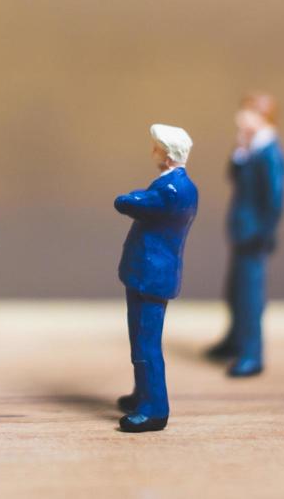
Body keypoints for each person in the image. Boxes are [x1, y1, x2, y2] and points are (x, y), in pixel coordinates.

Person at [114, 123, 199, 433]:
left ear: (167, 154)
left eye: (157, 148)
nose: (153, 152)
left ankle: (155, 408)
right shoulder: (174, 185)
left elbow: (131, 203)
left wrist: (128, 196)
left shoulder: (172, 189)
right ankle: (142, 394)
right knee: (139, 339)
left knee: (147, 343)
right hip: (144, 271)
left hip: (152, 273)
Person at [207, 92, 284, 377]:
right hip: (242, 229)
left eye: (249, 113)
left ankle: (252, 353)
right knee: (234, 290)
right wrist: (239, 151)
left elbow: (275, 198)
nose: (241, 118)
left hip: (254, 235)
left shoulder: (270, 152)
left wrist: (265, 232)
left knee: (250, 295)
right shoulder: (250, 146)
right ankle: (235, 339)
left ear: (264, 118)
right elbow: (234, 176)